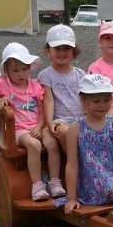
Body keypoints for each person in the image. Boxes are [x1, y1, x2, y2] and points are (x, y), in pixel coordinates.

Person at [0, 42, 65, 201]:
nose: (21, 74)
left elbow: (43, 111)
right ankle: (37, 186)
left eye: (24, 69)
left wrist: (40, 126)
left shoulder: (35, 86)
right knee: (34, 144)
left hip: (37, 125)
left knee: (52, 142)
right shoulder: (3, 84)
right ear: (7, 71)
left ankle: (55, 182)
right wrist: (0, 100)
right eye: (15, 70)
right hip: (18, 129)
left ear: (30, 68)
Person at [64, 73, 113, 214]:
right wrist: (72, 198)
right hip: (93, 182)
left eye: (106, 100)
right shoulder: (76, 128)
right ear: (83, 101)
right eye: (96, 101)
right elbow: (72, 165)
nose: (102, 105)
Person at [38, 24, 85, 157]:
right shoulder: (46, 75)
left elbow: (86, 98)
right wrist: (49, 122)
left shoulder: (81, 74)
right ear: (48, 51)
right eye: (57, 48)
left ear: (73, 51)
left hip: (81, 118)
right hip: (61, 120)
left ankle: (91, 162)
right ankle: (74, 162)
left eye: (66, 48)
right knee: (65, 132)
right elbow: (48, 100)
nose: (61, 52)